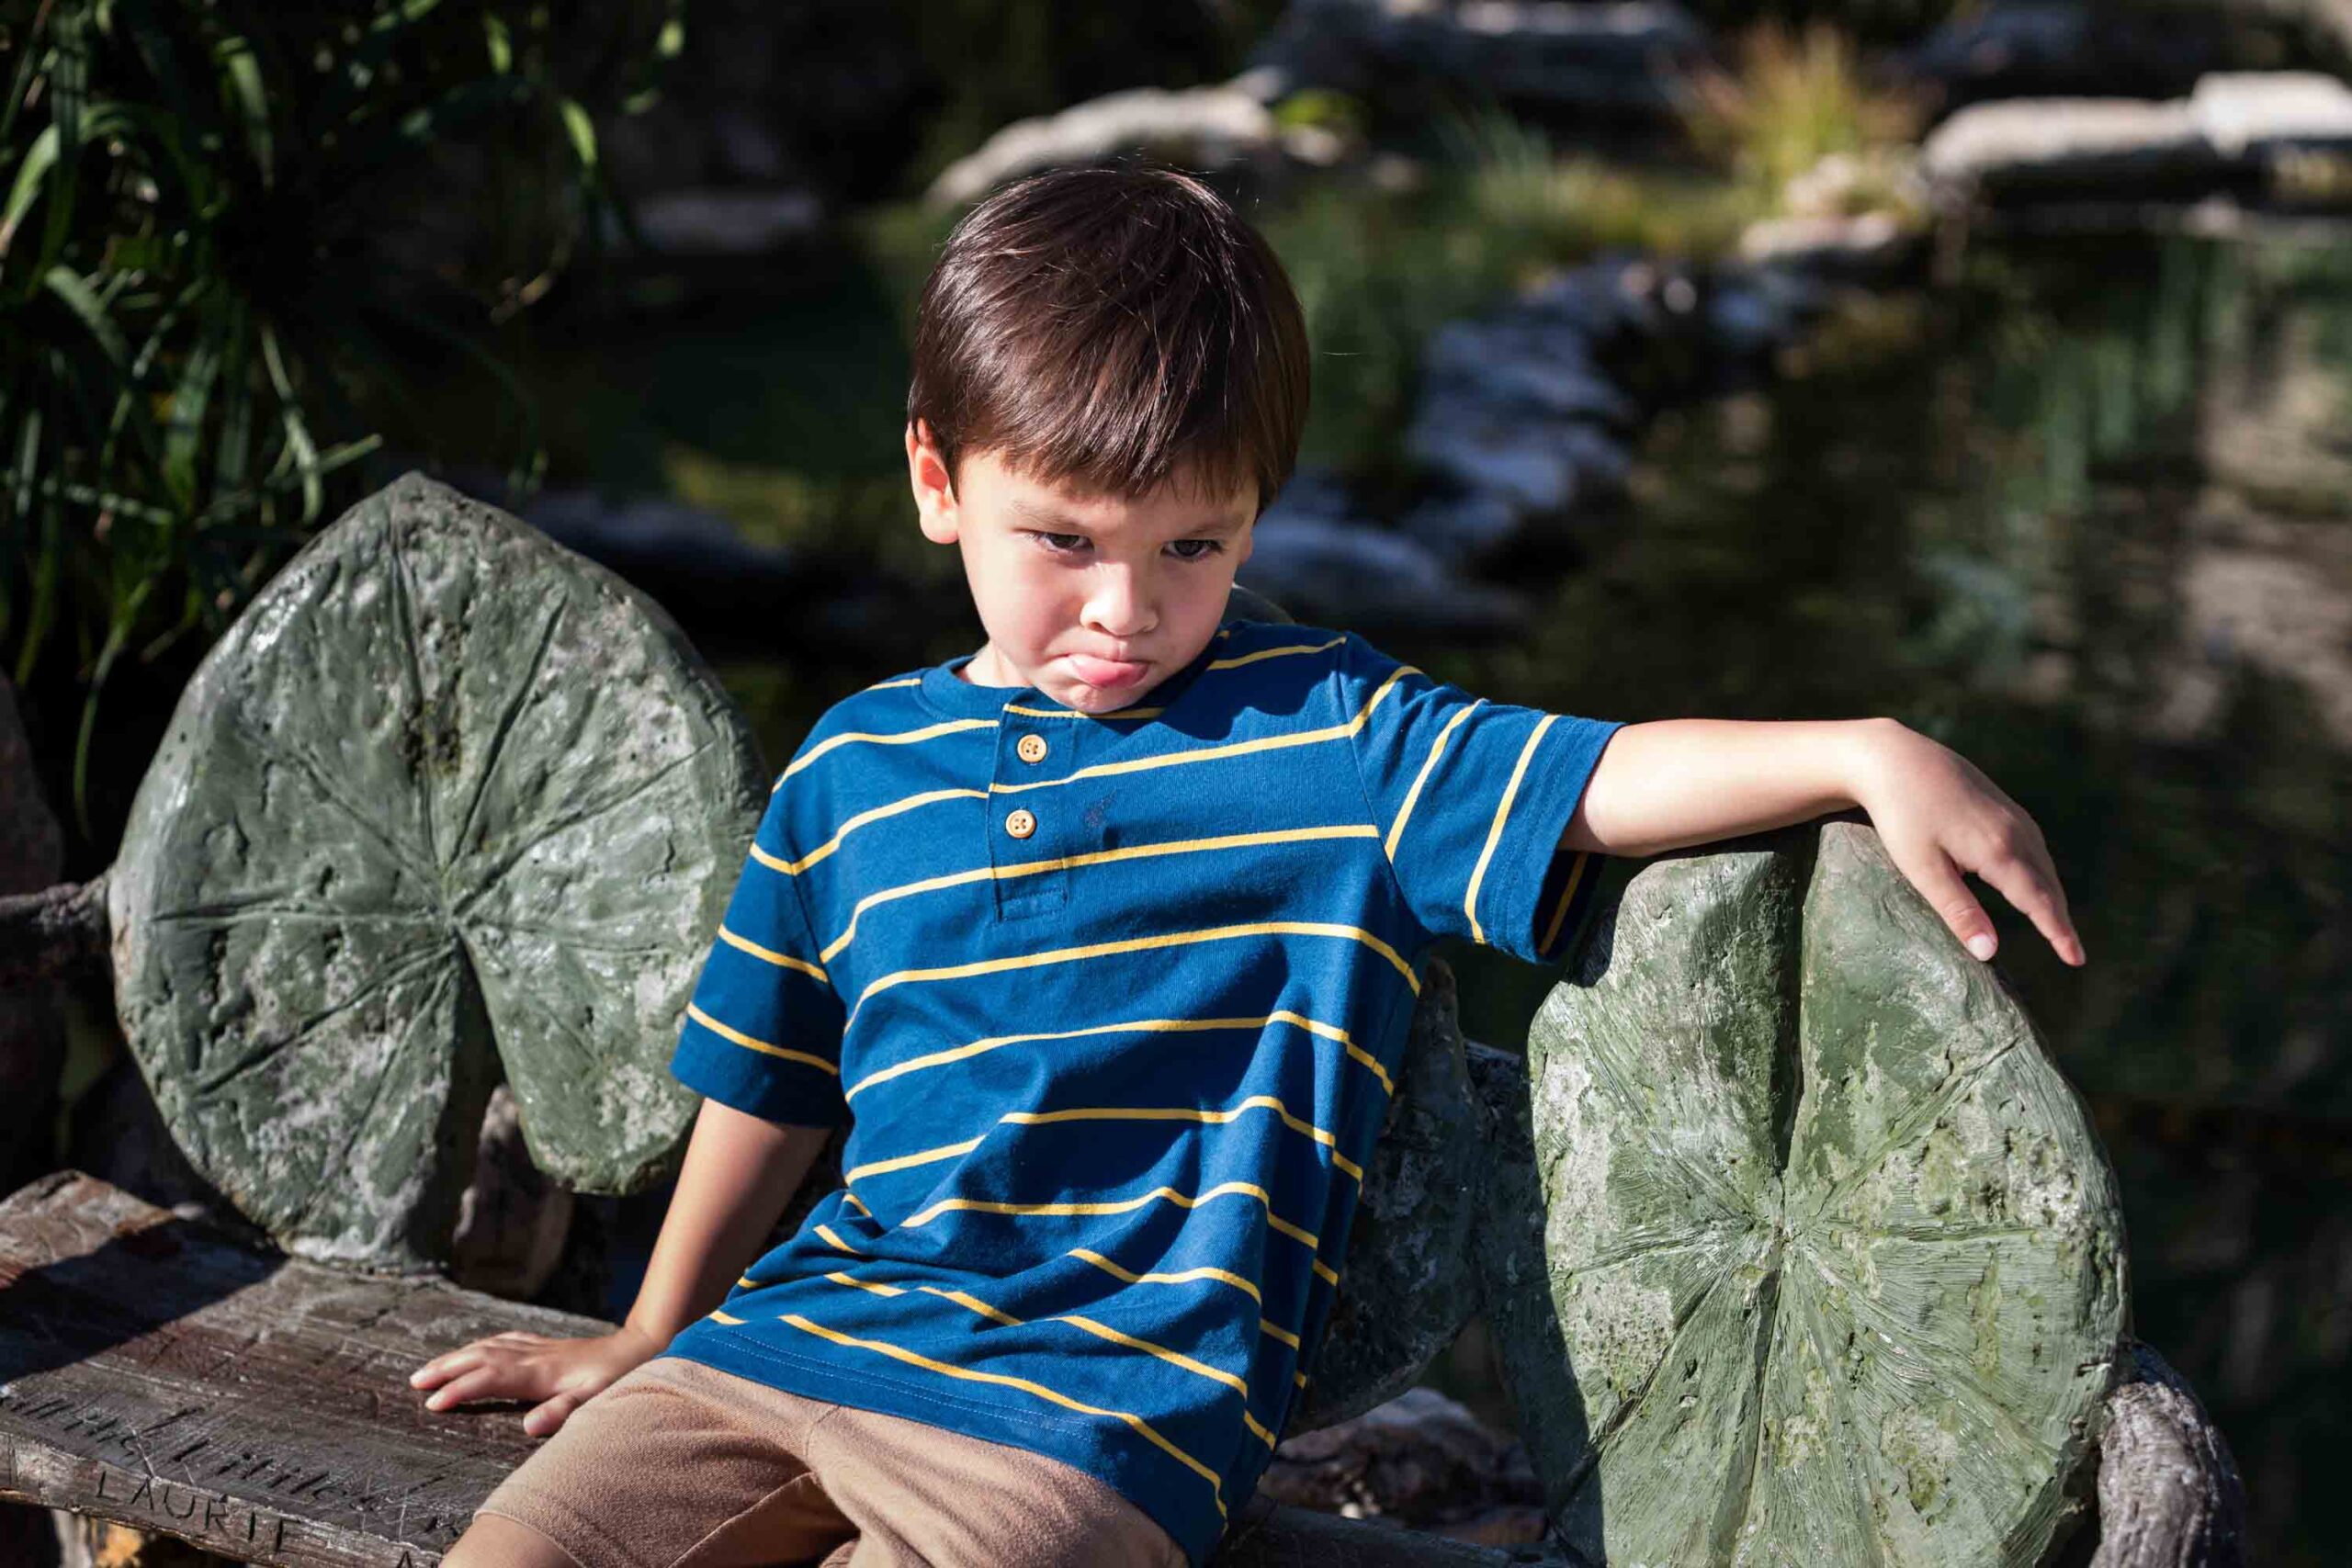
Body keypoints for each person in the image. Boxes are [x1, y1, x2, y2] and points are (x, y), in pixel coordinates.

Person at [417, 162, 2084, 1568]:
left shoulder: (1334, 743)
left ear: (1254, 521)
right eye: (1062, 542)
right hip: (786, 1348)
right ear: (939, 484)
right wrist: (652, 1332)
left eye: (1190, 548)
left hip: (1091, 1424)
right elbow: (769, 1074)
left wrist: (1860, 747)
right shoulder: (855, 766)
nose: (1125, 611)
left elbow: (1595, 776)